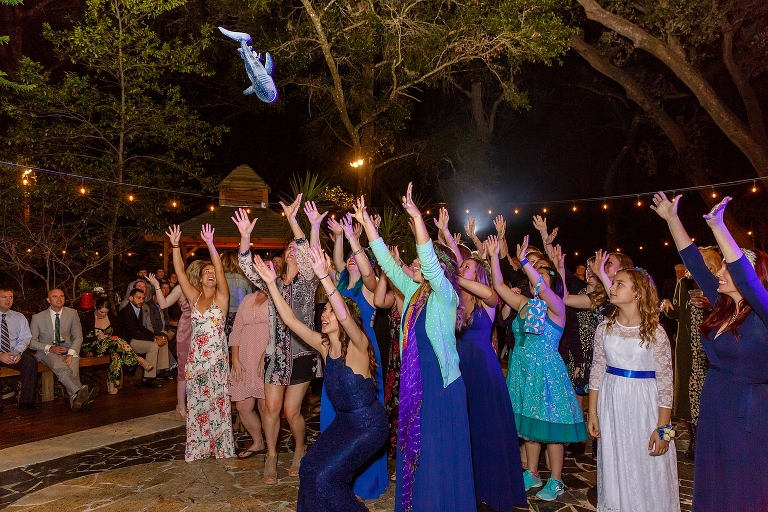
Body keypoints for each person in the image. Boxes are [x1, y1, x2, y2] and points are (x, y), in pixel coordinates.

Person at [361, 183, 477, 512]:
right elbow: (386, 262)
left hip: (441, 387)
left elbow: (429, 262)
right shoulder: (413, 294)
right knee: (419, 454)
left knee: (437, 454)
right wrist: (367, 224)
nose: (413, 264)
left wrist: (416, 219)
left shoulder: (446, 297)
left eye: (420, 261)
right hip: (416, 386)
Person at [652, 192, 768, 510]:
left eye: (727, 269)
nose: (718, 273)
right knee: (713, 475)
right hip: (715, 400)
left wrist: (719, 227)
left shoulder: (763, 314)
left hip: (747, 411)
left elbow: (745, 277)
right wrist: (672, 219)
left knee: (742, 481)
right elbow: (693, 262)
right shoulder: (722, 306)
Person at [252, 246, 387, 511]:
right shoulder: (324, 346)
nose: (324, 315)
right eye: (323, 311)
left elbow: (344, 314)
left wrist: (325, 277)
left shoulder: (359, 345)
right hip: (344, 422)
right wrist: (271, 285)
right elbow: (290, 320)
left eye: (330, 311)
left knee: (325, 478)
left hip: (369, 426)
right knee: (309, 468)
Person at [434, 207, 527, 511]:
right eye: (462, 267)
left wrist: (457, 273)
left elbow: (488, 292)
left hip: (484, 371)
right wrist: (445, 234)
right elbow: (454, 263)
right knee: (465, 429)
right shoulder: (453, 300)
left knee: (487, 429)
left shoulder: (488, 299)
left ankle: (492, 489)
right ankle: (467, 490)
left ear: (478, 273)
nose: (462, 269)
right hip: (459, 369)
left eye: (468, 268)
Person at [487, 235, 587, 502]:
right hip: (522, 371)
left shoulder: (556, 307)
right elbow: (498, 285)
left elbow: (542, 287)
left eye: (541, 274)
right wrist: (494, 256)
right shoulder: (523, 303)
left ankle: (556, 480)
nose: (535, 278)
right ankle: (532, 473)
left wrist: (524, 262)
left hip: (546, 374)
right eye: (533, 274)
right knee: (529, 426)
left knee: (551, 429)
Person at [233, 196, 323, 484]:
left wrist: (294, 220)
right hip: (276, 356)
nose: (294, 251)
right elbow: (247, 266)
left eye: (297, 249)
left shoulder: (308, 281)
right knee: (271, 409)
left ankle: (299, 447)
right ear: (284, 256)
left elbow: (307, 251)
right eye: (290, 248)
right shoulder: (272, 283)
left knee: (291, 411)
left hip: (303, 354)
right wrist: (245, 237)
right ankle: (271, 455)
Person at [587, 267, 679, 512]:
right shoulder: (604, 328)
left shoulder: (656, 331)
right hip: (611, 405)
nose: (612, 287)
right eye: (613, 283)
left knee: (648, 465)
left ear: (637, 292)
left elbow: (666, 383)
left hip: (644, 406)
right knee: (615, 460)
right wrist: (592, 412)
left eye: (620, 283)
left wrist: (664, 430)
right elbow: (597, 370)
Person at [322, 202, 388, 500]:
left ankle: (365, 481)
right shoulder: (340, 287)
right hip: (339, 351)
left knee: (362, 415)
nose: (350, 261)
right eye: (349, 258)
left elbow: (367, 270)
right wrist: (338, 237)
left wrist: (355, 238)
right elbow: (335, 263)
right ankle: (335, 474)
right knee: (335, 410)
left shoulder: (368, 289)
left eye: (356, 259)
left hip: (362, 351)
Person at [167, 223, 234, 462]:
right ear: (200, 277)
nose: (211, 273)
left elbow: (220, 270)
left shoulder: (222, 297)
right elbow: (180, 271)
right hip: (196, 361)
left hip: (216, 362)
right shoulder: (194, 297)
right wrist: (176, 245)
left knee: (217, 403)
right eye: (206, 271)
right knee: (197, 404)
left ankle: (220, 447)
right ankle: (199, 448)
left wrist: (210, 244)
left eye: (213, 272)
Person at [149, 262, 204, 422]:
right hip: (187, 329)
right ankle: (180, 406)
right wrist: (157, 286)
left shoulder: (206, 288)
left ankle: (198, 404)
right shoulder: (181, 288)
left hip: (203, 328)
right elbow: (163, 304)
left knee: (200, 367)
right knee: (184, 368)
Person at [29, 289, 95, 411]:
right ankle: (80, 392)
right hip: (47, 351)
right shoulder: (38, 318)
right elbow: (31, 342)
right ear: (48, 300)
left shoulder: (72, 313)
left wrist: (70, 353)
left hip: (68, 349)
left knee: (72, 368)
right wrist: (50, 348)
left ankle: (76, 400)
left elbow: (78, 337)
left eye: (62, 296)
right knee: (59, 364)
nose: (59, 299)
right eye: (55, 296)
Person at [228, 285, 270, 459]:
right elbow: (236, 330)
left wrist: (266, 354)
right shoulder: (247, 298)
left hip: (266, 357)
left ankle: (272, 449)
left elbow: (280, 332)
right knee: (243, 407)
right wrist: (235, 358)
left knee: (265, 406)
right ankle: (258, 442)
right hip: (244, 358)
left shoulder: (277, 297)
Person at [80, 296, 144, 394]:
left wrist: (109, 337)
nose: (104, 314)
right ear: (95, 308)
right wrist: (97, 337)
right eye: (101, 312)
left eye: (106, 312)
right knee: (114, 341)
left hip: (111, 346)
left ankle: (111, 383)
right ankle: (137, 358)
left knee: (116, 354)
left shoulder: (111, 318)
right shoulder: (87, 318)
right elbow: (82, 337)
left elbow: (119, 334)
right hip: (92, 347)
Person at [660, 262, 697, 424]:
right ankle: (688, 416)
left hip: (708, 338)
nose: (682, 273)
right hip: (686, 337)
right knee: (686, 376)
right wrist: (667, 305)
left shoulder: (715, 282)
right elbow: (678, 313)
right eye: (679, 271)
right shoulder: (683, 284)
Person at [113, 288, 170, 388]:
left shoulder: (138, 309)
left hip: (135, 338)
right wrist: (154, 340)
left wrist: (155, 336)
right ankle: (148, 378)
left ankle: (160, 371)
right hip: (126, 341)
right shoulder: (127, 312)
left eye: (143, 298)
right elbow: (134, 333)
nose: (141, 300)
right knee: (153, 346)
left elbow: (141, 328)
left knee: (163, 340)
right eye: (138, 298)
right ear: (131, 298)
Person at [0, 285, 38, 412]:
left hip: (13, 352)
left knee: (30, 361)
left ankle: (27, 403)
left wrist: (17, 351)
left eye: (10, 297)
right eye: (4, 297)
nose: (8, 300)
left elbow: (25, 337)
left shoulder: (19, 317)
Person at [221, 251, 251, 337]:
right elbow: (249, 300)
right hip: (240, 315)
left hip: (223, 315)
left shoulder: (219, 279)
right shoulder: (244, 279)